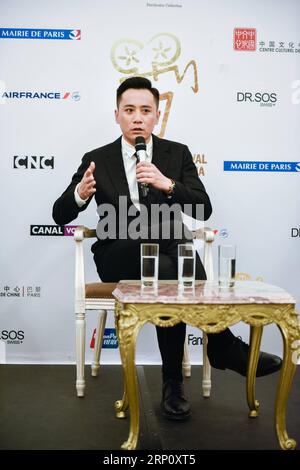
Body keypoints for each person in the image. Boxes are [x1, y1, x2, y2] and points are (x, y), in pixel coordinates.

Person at [53, 76, 282, 421]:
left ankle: (174, 386)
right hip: (118, 253)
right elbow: (59, 214)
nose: (137, 118)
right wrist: (79, 195)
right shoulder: (96, 158)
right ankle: (221, 346)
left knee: (168, 271)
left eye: (145, 110)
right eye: (129, 110)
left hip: (164, 260)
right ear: (116, 114)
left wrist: (168, 184)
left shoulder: (177, 154)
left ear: (156, 115)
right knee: (172, 233)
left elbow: (203, 208)